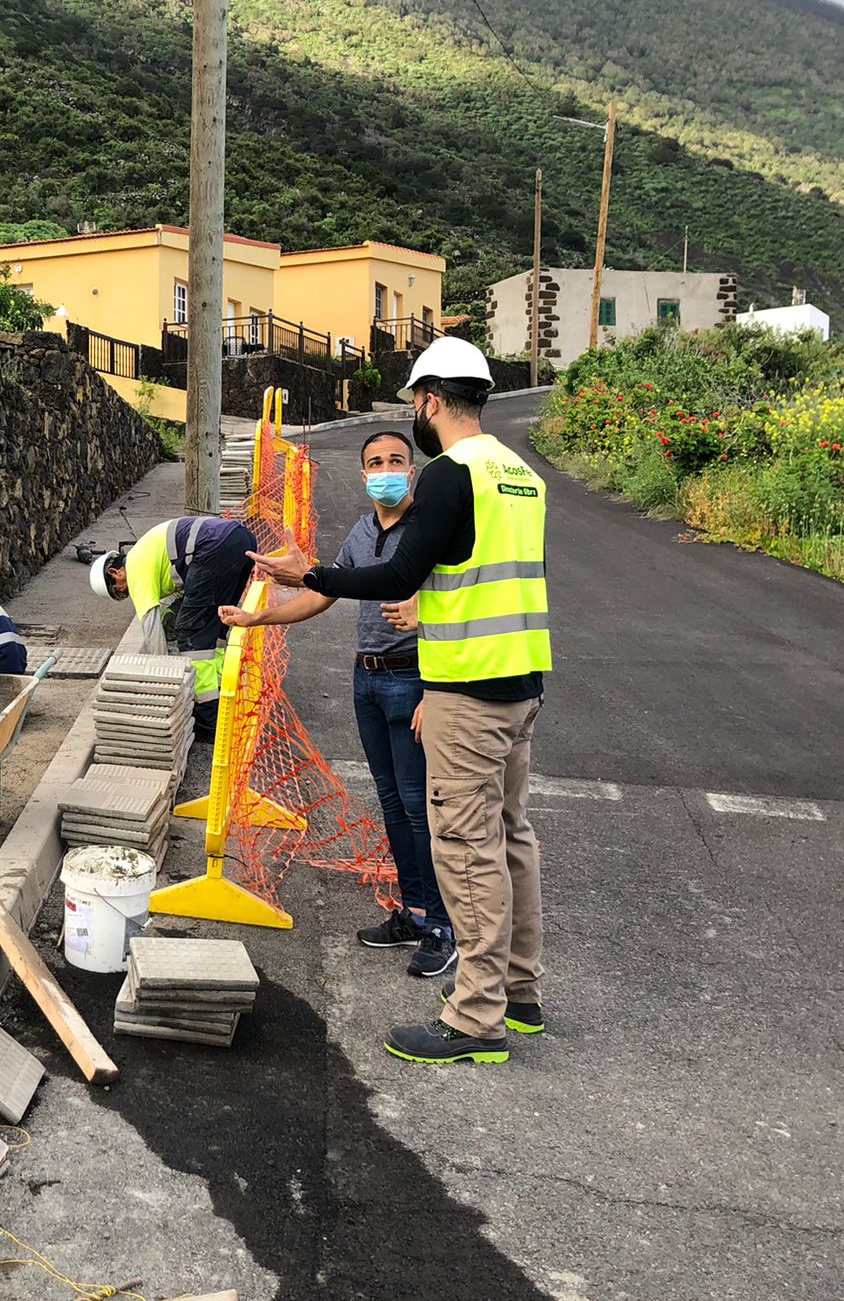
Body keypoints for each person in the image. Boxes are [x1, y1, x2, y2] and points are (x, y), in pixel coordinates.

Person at [250, 336, 550, 1066]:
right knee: (511, 837)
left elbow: (398, 575)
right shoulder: (521, 474)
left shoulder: (453, 473)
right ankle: (520, 993)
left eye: (414, 403)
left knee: (465, 848)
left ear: (430, 400)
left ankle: (476, 1018)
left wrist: (311, 570)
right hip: (521, 682)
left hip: (466, 689)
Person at [218, 429, 457, 976]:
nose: (387, 469)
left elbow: (459, 601)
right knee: (393, 803)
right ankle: (415, 911)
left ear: (413, 470)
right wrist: (260, 617)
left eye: (397, 460)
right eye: (376, 462)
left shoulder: (432, 530)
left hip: (415, 680)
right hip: (367, 680)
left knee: (424, 810)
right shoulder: (361, 531)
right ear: (363, 474)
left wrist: (439, 689)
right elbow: (324, 592)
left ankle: (444, 925)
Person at [89, 514, 258, 729]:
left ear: (116, 572)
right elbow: (183, 595)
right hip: (239, 539)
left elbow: (150, 625)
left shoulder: (134, 568)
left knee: (191, 633)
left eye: (118, 591)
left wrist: (163, 679)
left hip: (213, 547)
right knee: (216, 624)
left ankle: (208, 717)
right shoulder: (147, 552)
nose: (125, 594)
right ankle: (224, 695)